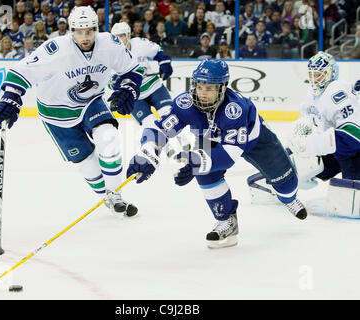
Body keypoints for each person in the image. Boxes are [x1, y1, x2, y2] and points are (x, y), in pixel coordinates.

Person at [126, 59, 307, 249]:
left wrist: (196, 162)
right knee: (204, 171)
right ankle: (226, 221)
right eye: (200, 86)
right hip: (209, 137)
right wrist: (146, 154)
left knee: (287, 186)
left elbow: (230, 154)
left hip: (255, 140)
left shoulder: (235, 110)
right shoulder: (185, 103)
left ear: (222, 88)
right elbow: (160, 129)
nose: (202, 94)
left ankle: (289, 198)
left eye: (210, 88)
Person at [0, 6, 143, 217]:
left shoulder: (110, 44)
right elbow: (22, 71)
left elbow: (133, 69)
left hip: (91, 101)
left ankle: (115, 193)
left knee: (109, 138)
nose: (85, 37)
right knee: (87, 163)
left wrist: (129, 87)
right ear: (71, 30)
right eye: (79, 32)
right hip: (56, 112)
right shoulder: (56, 49)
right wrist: (11, 96)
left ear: (96, 28)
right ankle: (105, 196)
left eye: (89, 30)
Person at [289, 51, 360, 183]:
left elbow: (354, 136)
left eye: (319, 75)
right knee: (303, 168)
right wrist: (294, 146)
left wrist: (310, 145)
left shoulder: (337, 90)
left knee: (352, 191)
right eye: (312, 75)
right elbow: (306, 119)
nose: (315, 79)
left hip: (353, 151)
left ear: (330, 74)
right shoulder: (312, 92)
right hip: (339, 149)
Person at [110, 22, 173, 129]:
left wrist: (164, 63)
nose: (119, 39)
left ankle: (182, 140)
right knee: (150, 124)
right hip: (134, 95)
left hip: (154, 87)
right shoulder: (110, 55)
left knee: (169, 116)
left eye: (122, 36)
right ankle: (162, 145)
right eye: (116, 37)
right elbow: (110, 83)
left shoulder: (139, 43)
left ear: (129, 36)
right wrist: (116, 83)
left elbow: (157, 51)